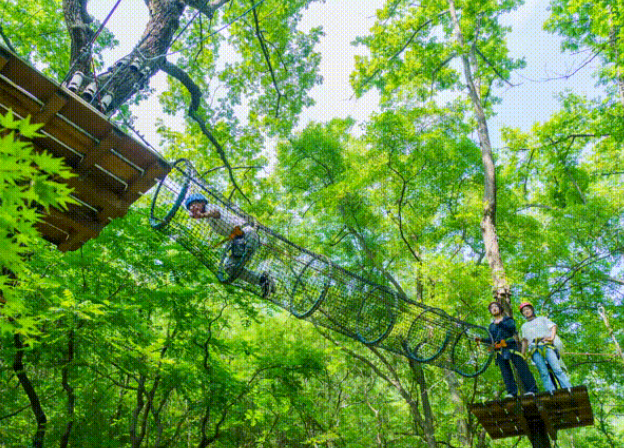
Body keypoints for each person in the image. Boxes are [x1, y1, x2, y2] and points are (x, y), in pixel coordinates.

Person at [184, 193, 275, 298]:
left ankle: (266, 281)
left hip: (247, 235)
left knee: (234, 265)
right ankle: (263, 280)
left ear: (202, 202)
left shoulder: (210, 208)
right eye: (190, 207)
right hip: (239, 239)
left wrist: (202, 215)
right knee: (230, 268)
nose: (192, 208)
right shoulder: (208, 218)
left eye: (194, 204)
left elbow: (216, 213)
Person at [480, 301, 538, 399]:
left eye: (496, 306)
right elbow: (492, 339)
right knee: (505, 371)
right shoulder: (491, 326)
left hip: (511, 346)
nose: (494, 308)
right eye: (491, 308)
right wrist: (481, 340)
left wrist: (501, 324)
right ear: (490, 311)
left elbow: (512, 328)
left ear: (500, 309)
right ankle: (512, 392)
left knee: (521, 368)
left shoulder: (507, 319)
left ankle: (532, 390)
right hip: (499, 349)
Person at [519, 302, 572, 393]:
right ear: (523, 314)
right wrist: (523, 355)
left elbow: (553, 326)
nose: (526, 311)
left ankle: (568, 387)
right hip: (534, 350)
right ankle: (550, 391)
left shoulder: (541, 319)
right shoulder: (524, 326)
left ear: (532, 310)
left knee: (557, 368)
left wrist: (551, 338)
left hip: (546, 346)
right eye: (524, 311)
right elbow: (524, 341)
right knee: (543, 372)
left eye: (528, 309)